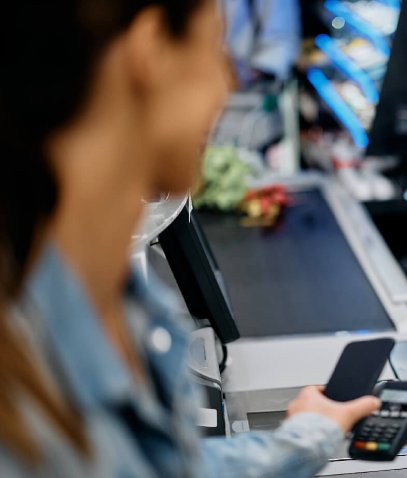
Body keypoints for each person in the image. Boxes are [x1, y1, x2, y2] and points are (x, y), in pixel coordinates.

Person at [0, 1, 378, 476]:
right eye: (214, 47)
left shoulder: (124, 304)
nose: (229, 84)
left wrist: (307, 437)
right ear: (152, 48)